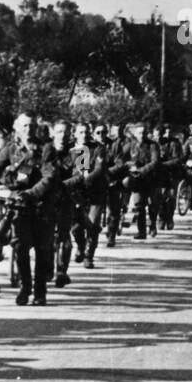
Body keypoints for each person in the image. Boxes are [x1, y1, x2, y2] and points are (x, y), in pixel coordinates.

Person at [0, 113, 56, 305]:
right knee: (20, 248)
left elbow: (48, 178)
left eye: (31, 126)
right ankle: (25, 287)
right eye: (24, 126)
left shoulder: (46, 149)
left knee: (42, 250)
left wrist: (31, 194)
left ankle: (40, 291)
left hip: (40, 206)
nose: (28, 130)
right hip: (18, 208)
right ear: (16, 127)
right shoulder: (11, 149)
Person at [46, 119, 80, 287]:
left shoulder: (81, 151)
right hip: (46, 199)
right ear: (52, 133)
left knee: (64, 235)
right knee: (47, 236)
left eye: (66, 133)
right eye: (59, 132)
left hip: (67, 197)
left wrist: (60, 185)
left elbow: (81, 176)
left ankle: (61, 271)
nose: (63, 136)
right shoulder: (46, 150)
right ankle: (47, 268)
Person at [69, 122, 107, 269]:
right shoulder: (70, 149)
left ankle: (88, 256)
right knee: (75, 227)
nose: (83, 135)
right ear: (75, 134)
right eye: (80, 132)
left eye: (86, 132)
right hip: (76, 194)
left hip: (95, 193)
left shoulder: (98, 148)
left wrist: (84, 180)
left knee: (92, 224)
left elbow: (99, 169)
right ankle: (80, 245)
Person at [120, 121, 160, 239]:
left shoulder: (153, 145)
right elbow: (120, 158)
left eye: (143, 133)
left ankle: (152, 224)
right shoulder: (130, 144)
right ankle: (141, 231)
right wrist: (129, 165)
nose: (141, 135)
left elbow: (155, 161)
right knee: (139, 205)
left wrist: (142, 170)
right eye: (139, 133)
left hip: (151, 179)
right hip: (138, 180)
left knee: (153, 205)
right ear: (135, 133)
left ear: (147, 133)